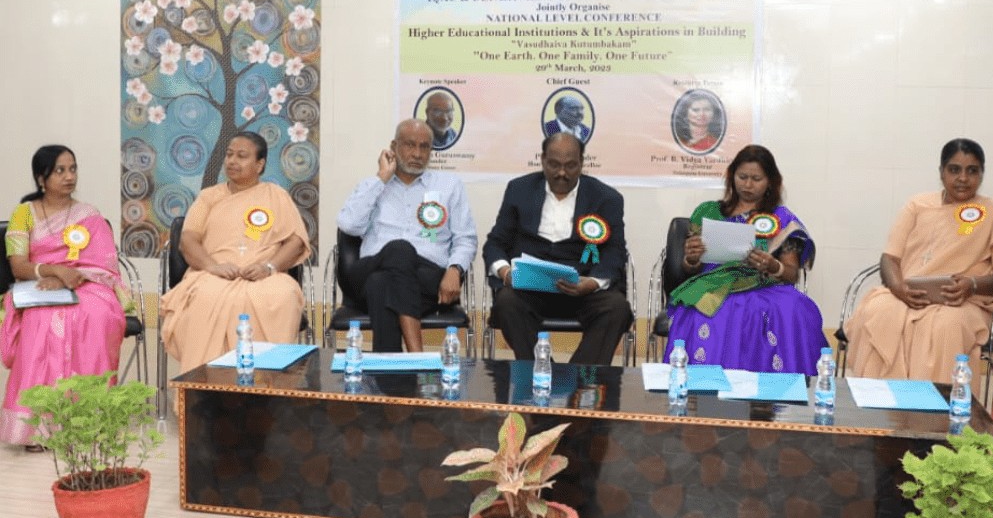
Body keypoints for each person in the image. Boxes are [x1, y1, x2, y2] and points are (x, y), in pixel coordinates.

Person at [844, 139, 993, 386]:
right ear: (941, 172)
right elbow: (890, 258)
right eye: (954, 169)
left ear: (982, 174)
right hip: (908, 294)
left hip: (963, 301)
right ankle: (878, 398)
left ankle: (936, 406)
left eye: (972, 171)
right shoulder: (918, 205)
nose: (963, 178)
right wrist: (899, 288)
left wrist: (972, 285)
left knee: (946, 325)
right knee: (878, 310)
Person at [1, 146, 128, 449]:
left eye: (72, 169)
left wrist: (69, 276)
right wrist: (52, 271)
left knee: (95, 314)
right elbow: (18, 265)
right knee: (42, 318)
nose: (69, 176)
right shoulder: (23, 214)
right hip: (39, 285)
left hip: (87, 284)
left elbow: (103, 264)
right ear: (41, 178)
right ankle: (38, 427)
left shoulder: (89, 215)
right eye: (60, 170)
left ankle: (88, 420)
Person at [665, 145, 825, 374]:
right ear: (732, 176)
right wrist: (691, 259)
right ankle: (705, 388)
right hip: (713, 286)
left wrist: (773, 265)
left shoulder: (782, 219)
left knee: (793, 308)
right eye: (742, 177)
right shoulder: (708, 212)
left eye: (756, 179)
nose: (748, 185)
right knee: (706, 307)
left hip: (765, 288)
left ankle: (771, 390)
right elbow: (690, 270)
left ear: (771, 182)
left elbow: (791, 274)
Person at [160, 132, 311, 373]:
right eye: (229, 155)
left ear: (259, 165)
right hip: (213, 274)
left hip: (264, 275)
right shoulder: (208, 197)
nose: (232, 161)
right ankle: (203, 386)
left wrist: (268, 267)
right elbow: (188, 240)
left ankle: (267, 384)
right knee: (203, 298)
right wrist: (212, 266)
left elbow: (296, 241)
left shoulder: (276, 196)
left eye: (241, 156)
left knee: (283, 295)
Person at [483, 133, 631, 363]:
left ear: (582, 163)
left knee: (616, 308)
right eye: (554, 164)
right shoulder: (519, 190)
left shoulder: (606, 198)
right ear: (542, 160)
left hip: (581, 287)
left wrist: (593, 283)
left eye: (570, 165)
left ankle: (579, 379)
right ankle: (540, 369)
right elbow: (495, 243)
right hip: (531, 289)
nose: (562, 173)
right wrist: (505, 272)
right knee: (507, 302)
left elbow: (615, 251)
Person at [337, 119, 477, 351]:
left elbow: (465, 238)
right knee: (399, 249)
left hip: (427, 277)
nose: (417, 154)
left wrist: (455, 269)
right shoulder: (372, 185)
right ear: (394, 146)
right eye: (410, 145)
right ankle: (416, 354)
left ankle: (390, 368)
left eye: (424, 147)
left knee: (381, 285)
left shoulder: (449, 186)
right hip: (370, 267)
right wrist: (382, 178)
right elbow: (349, 226)